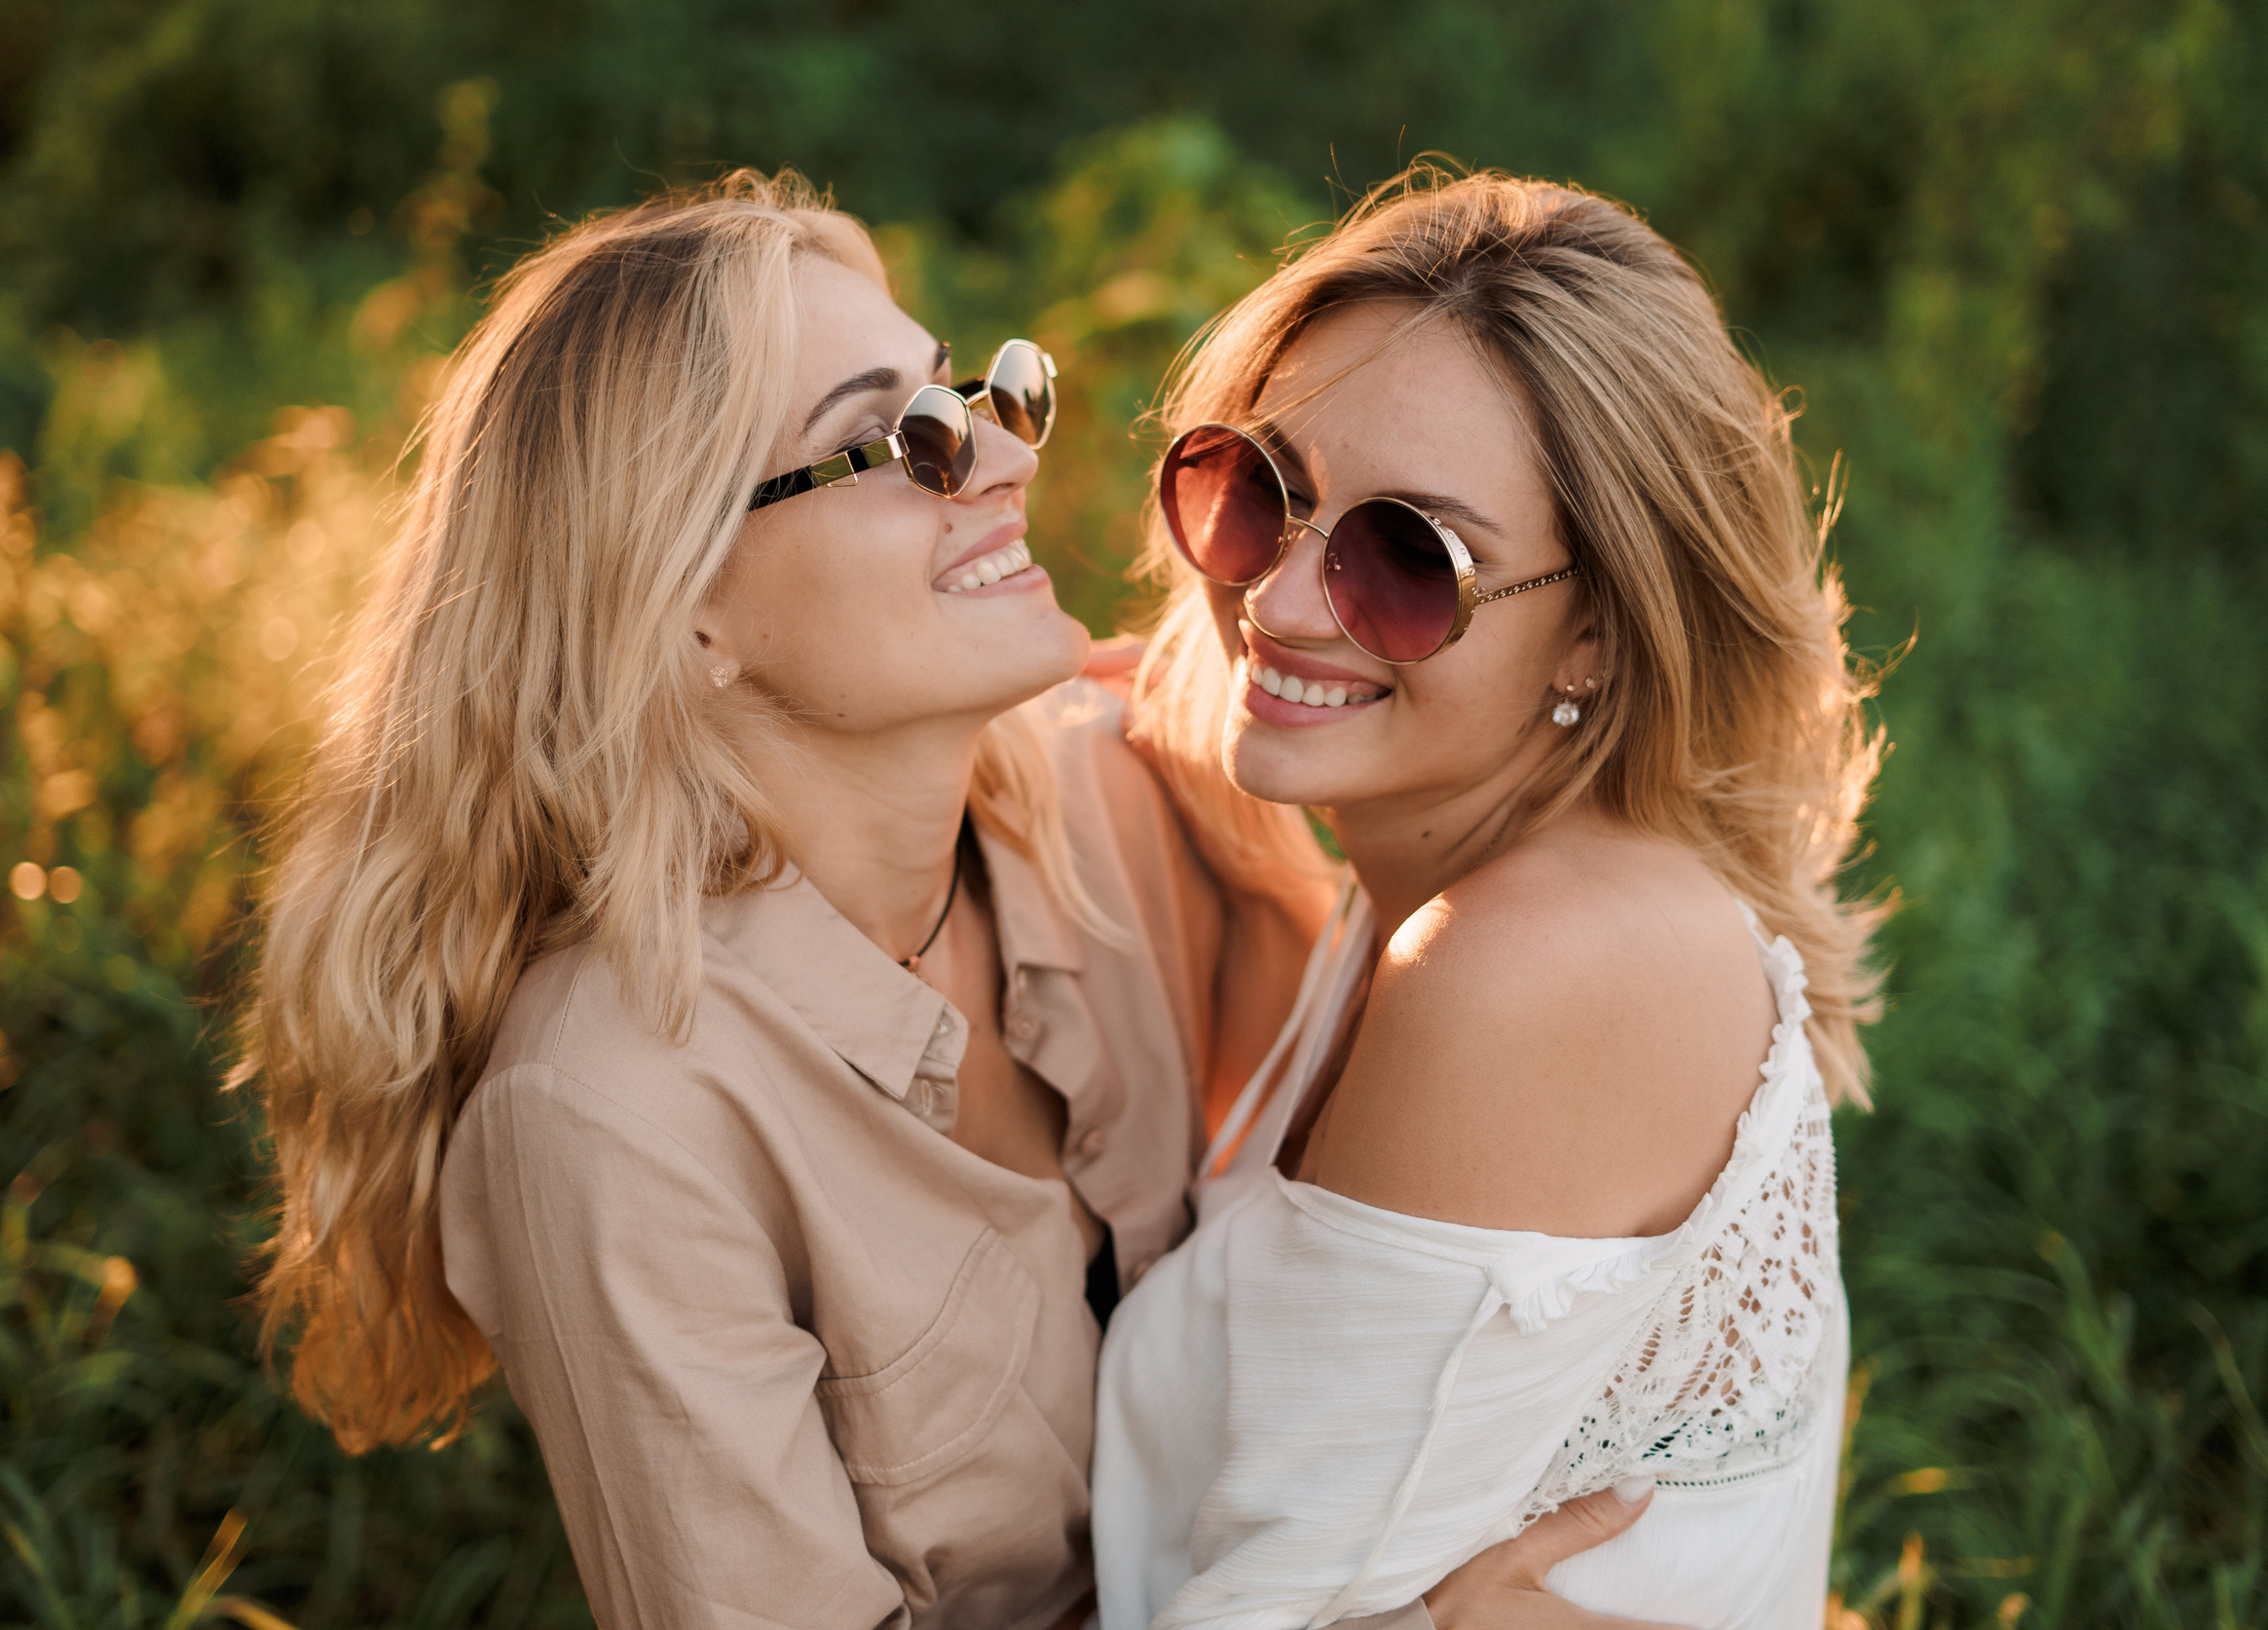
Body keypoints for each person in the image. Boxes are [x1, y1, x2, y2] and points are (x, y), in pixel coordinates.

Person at [232, 171, 1663, 1630]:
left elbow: (1397, 1241)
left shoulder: (1116, 798)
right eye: (895, 440)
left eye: (975, 396)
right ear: (683, 608)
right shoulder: (614, 1109)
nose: (1000, 462)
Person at [1095, 169, 1886, 1630]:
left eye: (1410, 560)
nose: (1275, 600)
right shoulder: (1449, 869)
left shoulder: (1521, 963)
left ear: (1594, 631)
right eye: (1259, 489)